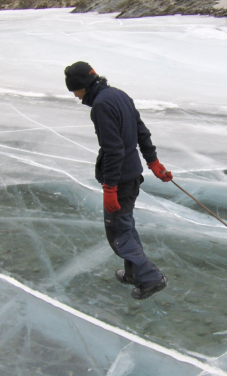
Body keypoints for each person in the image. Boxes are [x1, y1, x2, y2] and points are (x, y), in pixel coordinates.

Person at [65, 61, 173, 300]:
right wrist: (153, 162)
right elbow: (141, 131)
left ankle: (150, 278)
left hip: (121, 180)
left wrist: (110, 187)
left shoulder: (101, 106)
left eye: (74, 90)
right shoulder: (119, 95)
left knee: (119, 234)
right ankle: (134, 273)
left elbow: (113, 150)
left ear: (83, 86)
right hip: (131, 176)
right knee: (126, 226)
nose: (74, 95)